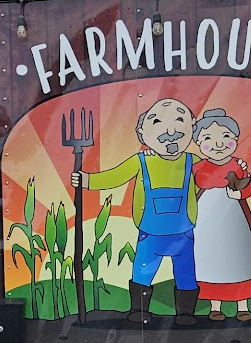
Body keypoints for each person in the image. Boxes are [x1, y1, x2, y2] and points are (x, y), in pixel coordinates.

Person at [72, 97, 202, 325]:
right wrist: (88, 181)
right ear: (143, 132)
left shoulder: (193, 162)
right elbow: (115, 176)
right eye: (158, 122)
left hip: (183, 233)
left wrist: (234, 175)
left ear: (192, 125)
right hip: (150, 232)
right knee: (143, 270)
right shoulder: (141, 161)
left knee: (186, 273)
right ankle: (138, 310)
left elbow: (212, 179)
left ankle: (185, 313)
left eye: (179, 120)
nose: (170, 131)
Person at [190, 109, 251, 319]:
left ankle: (242, 306)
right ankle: (215, 307)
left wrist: (239, 193)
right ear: (198, 142)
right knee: (210, 260)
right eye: (208, 138)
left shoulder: (238, 165)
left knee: (238, 257)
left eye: (225, 136)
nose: (218, 144)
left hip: (235, 218)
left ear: (235, 139)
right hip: (206, 221)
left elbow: (249, 186)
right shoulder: (197, 167)